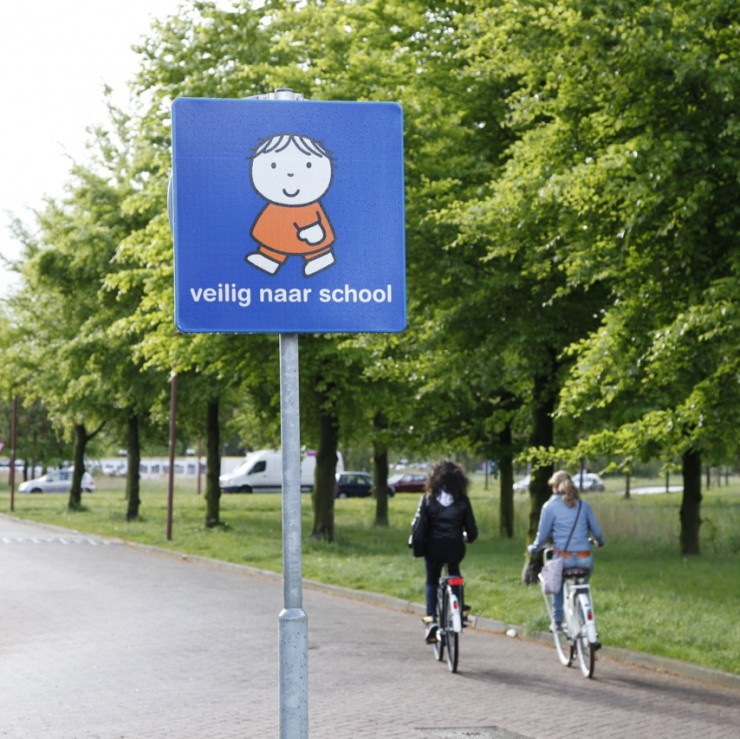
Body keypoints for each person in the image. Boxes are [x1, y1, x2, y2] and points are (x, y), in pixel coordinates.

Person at [528, 469, 605, 633]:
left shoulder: (549, 507)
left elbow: (542, 537)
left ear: (555, 486)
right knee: (583, 587)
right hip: (585, 559)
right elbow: (597, 533)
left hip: (564, 559)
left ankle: (557, 622)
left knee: (557, 584)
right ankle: (588, 628)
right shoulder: (584, 506)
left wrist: (533, 548)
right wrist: (599, 542)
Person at [414, 460, 478, 644]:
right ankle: (460, 610)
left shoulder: (428, 498)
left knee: (432, 581)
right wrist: (466, 537)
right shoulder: (462, 500)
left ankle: (431, 620)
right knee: (454, 572)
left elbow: (420, 527)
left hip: (433, 548)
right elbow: (472, 532)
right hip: (455, 548)